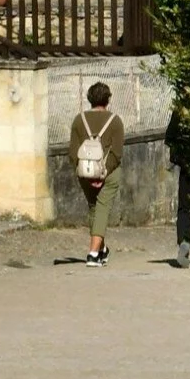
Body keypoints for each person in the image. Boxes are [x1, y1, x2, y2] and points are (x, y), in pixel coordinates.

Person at [71, 82, 125, 267]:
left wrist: (86, 173)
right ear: (108, 99)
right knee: (102, 208)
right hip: (108, 172)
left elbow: (72, 152)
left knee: (94, 208)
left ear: (89, 99)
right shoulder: (115, 121)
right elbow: (117, 153)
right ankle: (93, 254)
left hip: (84, 172)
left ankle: (102, 250)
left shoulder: (79, 120)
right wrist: (102, 174)